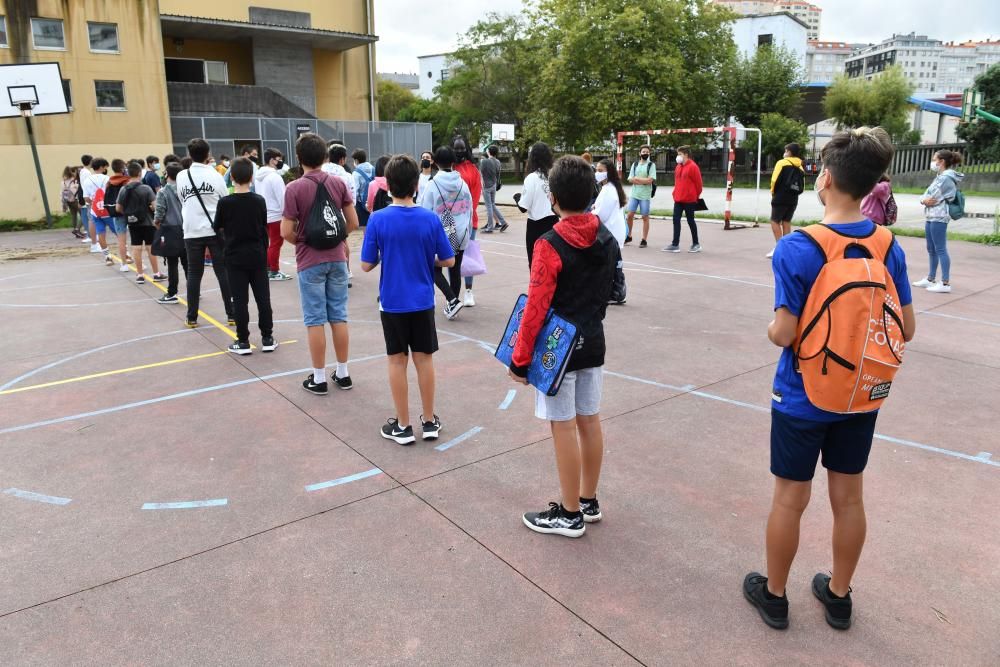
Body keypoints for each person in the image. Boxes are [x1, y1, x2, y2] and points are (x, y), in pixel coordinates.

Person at [742, 126, 917, 631]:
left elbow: (784, 332)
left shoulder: (798, 248)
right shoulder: (887, 245)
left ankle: (774, 596)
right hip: (862, 393)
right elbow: (906, 327)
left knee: (790, 498)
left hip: (802, 393)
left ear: (825, 178)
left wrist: (773, 326)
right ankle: (839, 596)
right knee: (849, 496)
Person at [509, 155, 618, 538]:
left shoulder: (549, 244)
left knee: (562, 426)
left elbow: (536, 308)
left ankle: (569, 512)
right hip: (594, 340)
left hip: (559, 349)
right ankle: (587, 499)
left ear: (553, 197)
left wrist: (520, 360)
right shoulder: (606, 237)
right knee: (589, 419)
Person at [361, 154, 456, 445]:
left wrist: (385, 253)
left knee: (396, 361)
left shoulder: (378, 219)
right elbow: (449, 260)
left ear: (387, 185)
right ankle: (428, 421)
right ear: (417, 184)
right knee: (424, 360)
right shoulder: (430, 219)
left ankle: (402, 425)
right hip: (422, 300)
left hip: (392, 301)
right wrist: (429, 258)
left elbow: (366, 264)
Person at [281, 132, 360, 395]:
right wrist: (337, 239)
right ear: (325, 157)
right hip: (337, 257)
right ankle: (343, 372)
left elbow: (285, 231)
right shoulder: (338, 183)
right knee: (338, 315)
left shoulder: (293, 188)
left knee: (315, 319)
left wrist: (303, 242)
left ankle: (319, 377)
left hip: (310, 260)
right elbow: (352, 222)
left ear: (298, 158)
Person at [214, 157, 276, 355]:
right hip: (257, 255)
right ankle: (267, 337)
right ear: (251, 177)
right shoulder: (259, 201)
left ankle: (243, 341)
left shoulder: (225, 203)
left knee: (240, 300)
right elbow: (263, 226)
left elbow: (217, 227)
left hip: (234, 256)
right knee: (263, 298)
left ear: (231, 176)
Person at [177, 138, 235, 329]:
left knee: (194, 273)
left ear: (189, 154)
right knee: (222, 272)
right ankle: (231, 314)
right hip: (214, 229)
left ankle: (192, 316)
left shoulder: (181, 176)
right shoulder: (215, 175)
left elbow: (183, 201)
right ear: (208, 155)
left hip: (191, 230)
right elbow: (225, 200)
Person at [419, 146, 472, 321]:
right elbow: (470, 209)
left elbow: (425, 212)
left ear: (435, 162)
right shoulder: (463, 183)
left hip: (440, 234)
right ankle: (453, 303)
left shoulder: (432, 185)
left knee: (433, 267)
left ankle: (452, 299)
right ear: (453, 162)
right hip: (462, 233)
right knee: (455, 269)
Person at [914, 149, 964, 294]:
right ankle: (930, 278)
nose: (933, 162)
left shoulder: (945, 178)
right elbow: (926, 195)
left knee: (940, 249)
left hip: (939, 216)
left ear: (941, 161)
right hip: (931, 216)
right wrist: (923, 199)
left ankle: (945, 283)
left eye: (934, 159)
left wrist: (924, 199)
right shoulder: (939, 176)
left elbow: (932, 196)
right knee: (931, 248)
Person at [514, 142, 558, 268]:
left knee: (536, 264)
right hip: (554, 222)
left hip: (536, 225)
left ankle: (537, 288)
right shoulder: (554, 175)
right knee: (552, 263)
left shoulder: (531, 178)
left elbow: (523, 207)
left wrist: (517, 197)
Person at [452, 136, 484, 306]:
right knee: (452, 257)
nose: (459, 152)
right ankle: (453, 293)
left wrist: (466, 213)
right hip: (449, 221)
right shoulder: (449, 168)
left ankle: (469, 291)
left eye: (461, 148)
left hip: (469, 220)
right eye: (456, 149)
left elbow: (476, 196)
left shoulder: (473, 170)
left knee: (468, 255)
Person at [116, 161, 159, 284]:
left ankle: (140, 274)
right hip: (147, 221)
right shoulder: (146, 188)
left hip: (132, 222)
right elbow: (155, 206)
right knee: (150, 247)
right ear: (140, 173)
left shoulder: (124, 189)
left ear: (128, 174)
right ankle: (156, 273)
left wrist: (128, 212)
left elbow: (118, 208)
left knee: (136, 248)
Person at [254, 147, 292, 282]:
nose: (281, 162)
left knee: (267, 244)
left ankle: (267, 268)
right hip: (275, 215)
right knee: (276, 243)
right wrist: (287, 214)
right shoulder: (275, 177)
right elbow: (282, 198)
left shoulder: (258, 176)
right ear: (272, 160)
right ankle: (274, 270)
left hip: (263, 214)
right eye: (279, 159)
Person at [594, 158, 628, 305]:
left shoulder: (608, 190)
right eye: (596, 170)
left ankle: (614, 292)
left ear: (609, 173)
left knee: (608, 265)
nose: (597, 173)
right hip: (613, 232)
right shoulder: (611, 187)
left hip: (610, 233)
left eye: (600, 171)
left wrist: (591, 212)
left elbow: (601, 215)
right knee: (614, 264)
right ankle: (616, 291)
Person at [153, 162, 187, 304]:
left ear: (167, 174)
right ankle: (194, 291)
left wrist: (157, 222)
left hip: (170, 230)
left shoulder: (163, 192)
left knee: (172, 264)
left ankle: (172, 293)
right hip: (186, 229)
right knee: (188, 264)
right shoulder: (185, 189)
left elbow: (159, 212)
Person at [766, 143, 805, 258]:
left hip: (780, 197)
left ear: (789, 152)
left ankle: (779, 247)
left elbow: (774, 180)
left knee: (774, 221)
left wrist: (773, 192)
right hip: (793, 198)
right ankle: (786, 248)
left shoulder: (781, 163)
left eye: (786, 150)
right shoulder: (800, 166)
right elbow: (803, 184)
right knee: (786, 222)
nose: (784, 152)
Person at [664, 146, 702, 253]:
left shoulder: (693, 167)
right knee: (676, 220)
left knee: (690, 221)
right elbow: (677, 182)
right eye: (678, 154)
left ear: (686, 155)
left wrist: (694, 196)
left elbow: (699, 185)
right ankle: (675, 244)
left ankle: (696, 244)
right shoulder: (678, 167)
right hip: (678, 199)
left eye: (680, 154)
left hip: (690, 200)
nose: (678, 156)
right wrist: (675, 193)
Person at [104, 159, 133, 271]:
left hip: (116, 213)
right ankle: (140, 263)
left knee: (121, 240)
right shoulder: (127, 181)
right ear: (122, 169)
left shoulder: (109, 182)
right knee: (136, 240)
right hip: (129, 212)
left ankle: (124, 264)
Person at [625, 145, 655, 247]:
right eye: (643, 152)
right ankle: (628, 236)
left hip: (645, 195)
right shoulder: (635, 164)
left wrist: (637, 179)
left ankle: (644, 240)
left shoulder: (651, 165)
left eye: (647, 152)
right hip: (634, 194)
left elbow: (650, 180)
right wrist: (643, 181)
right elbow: (630, 179)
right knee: (629, 215)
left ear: (649, 153)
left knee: (645, 217)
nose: (645, 153)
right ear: (640, 153)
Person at [81, 158, 110, 256]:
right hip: (106, 206)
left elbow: (85, 197)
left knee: (95, 225)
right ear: (102, 167)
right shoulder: (107, 178)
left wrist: (93, 202)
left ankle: (95, 245)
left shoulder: (87, 180)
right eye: (105, 166)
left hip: (93, 206)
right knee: (116, 229)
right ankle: (125, 253)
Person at [479, 145, 508, 235]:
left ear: (489, 152)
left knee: (489, 207)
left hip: (486, 185)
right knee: (492, 205)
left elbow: (481, 174)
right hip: (494, 185)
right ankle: (503, 222)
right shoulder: (498, 162)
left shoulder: (484, 161)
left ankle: (490, 227)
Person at [352, 149, 375, 227]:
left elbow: (355, 191)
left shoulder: (356, 173)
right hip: (374, 202)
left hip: (362, 204)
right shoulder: (373, 168)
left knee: (364, 226)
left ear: (356, 160)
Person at [61, 166, 82, 238]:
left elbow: (62, 193)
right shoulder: (73, 180)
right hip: (74, 200)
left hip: (67, 200)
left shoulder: (63, 182)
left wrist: (63, 203)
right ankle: (77, 229)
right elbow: (75, 190)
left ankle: (75, 229)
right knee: (83, 214)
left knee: (74, 215)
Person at [77, 154, 94, 245]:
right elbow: (85, 186)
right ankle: (90, 236)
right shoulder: (86, 172)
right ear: (90, 161)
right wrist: (84, 198)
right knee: (86, 216)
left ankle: (90, 235)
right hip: (86, 196)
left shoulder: (84, 171)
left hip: (84, 196)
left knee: (86, 216)